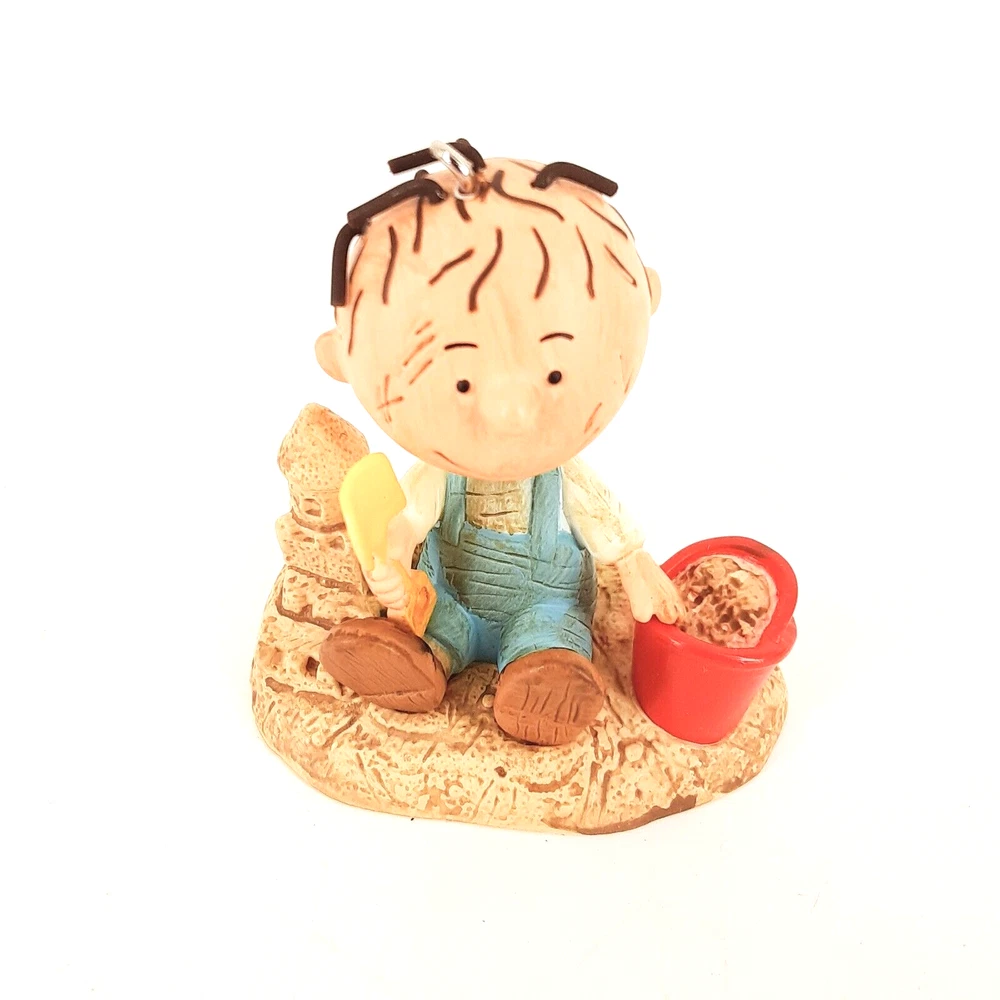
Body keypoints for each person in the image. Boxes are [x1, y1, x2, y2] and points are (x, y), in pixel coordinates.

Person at [315, 143, 683, 745]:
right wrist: (392, 565)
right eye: (462, 382)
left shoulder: (562, 473)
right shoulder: (439, 471)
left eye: (553, 373)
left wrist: (634, 563)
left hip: (543, 601)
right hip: (455, 592)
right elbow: (407, 522)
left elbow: (603, 520)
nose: (512, 414)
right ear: (340, 358)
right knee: (437, 623)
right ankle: (414, 661)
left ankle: (544, 677)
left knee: (549, 634)